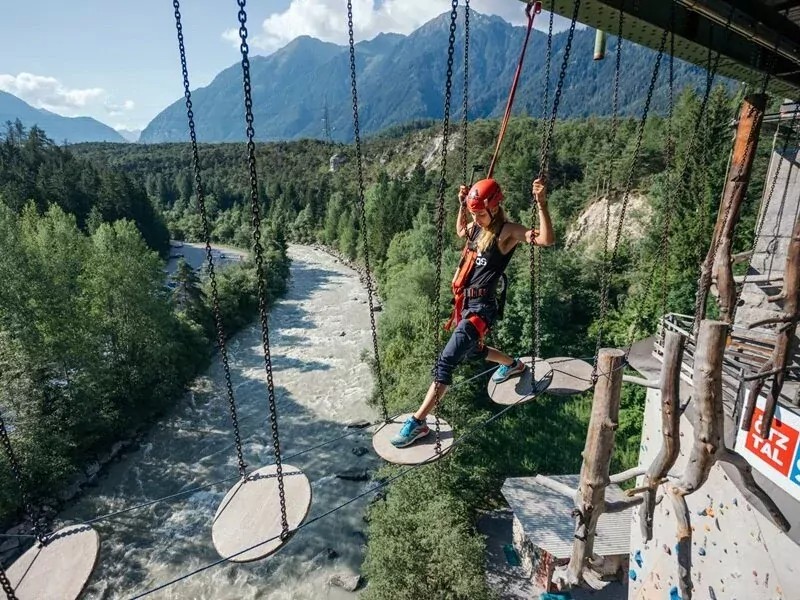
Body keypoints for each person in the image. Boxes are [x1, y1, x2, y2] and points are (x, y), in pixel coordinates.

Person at [391, 177, 555, 448]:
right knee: (473, 351)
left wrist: (541, 204)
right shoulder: (477, 228)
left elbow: (546, 240)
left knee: (446, 361)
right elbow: (459, 231)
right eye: (473, 214)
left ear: (494, 207)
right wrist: (460, 206)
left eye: (479, 214)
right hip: (465, 305)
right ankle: (514, 365)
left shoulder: (507, 232)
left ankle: (418, 423)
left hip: (481, 309)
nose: (475, 219)